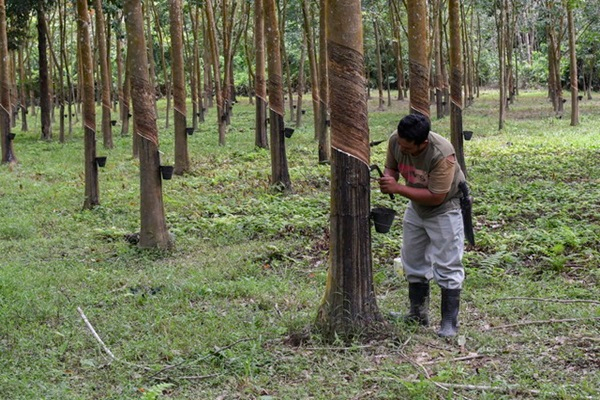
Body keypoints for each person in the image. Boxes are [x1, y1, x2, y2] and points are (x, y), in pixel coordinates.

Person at [378, 113, 466, 337]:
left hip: (445, 208)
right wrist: (389, 179)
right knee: (413, 259)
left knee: (447, 264)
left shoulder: (442, 154)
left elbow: (437, 196)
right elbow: (392, 167)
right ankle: (418, 314)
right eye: (401, 145)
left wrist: (398, 189)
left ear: (423, 143)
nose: (403, 150)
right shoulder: (396, 140)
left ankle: (449, 322)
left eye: (409, 149)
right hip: (416, 207)